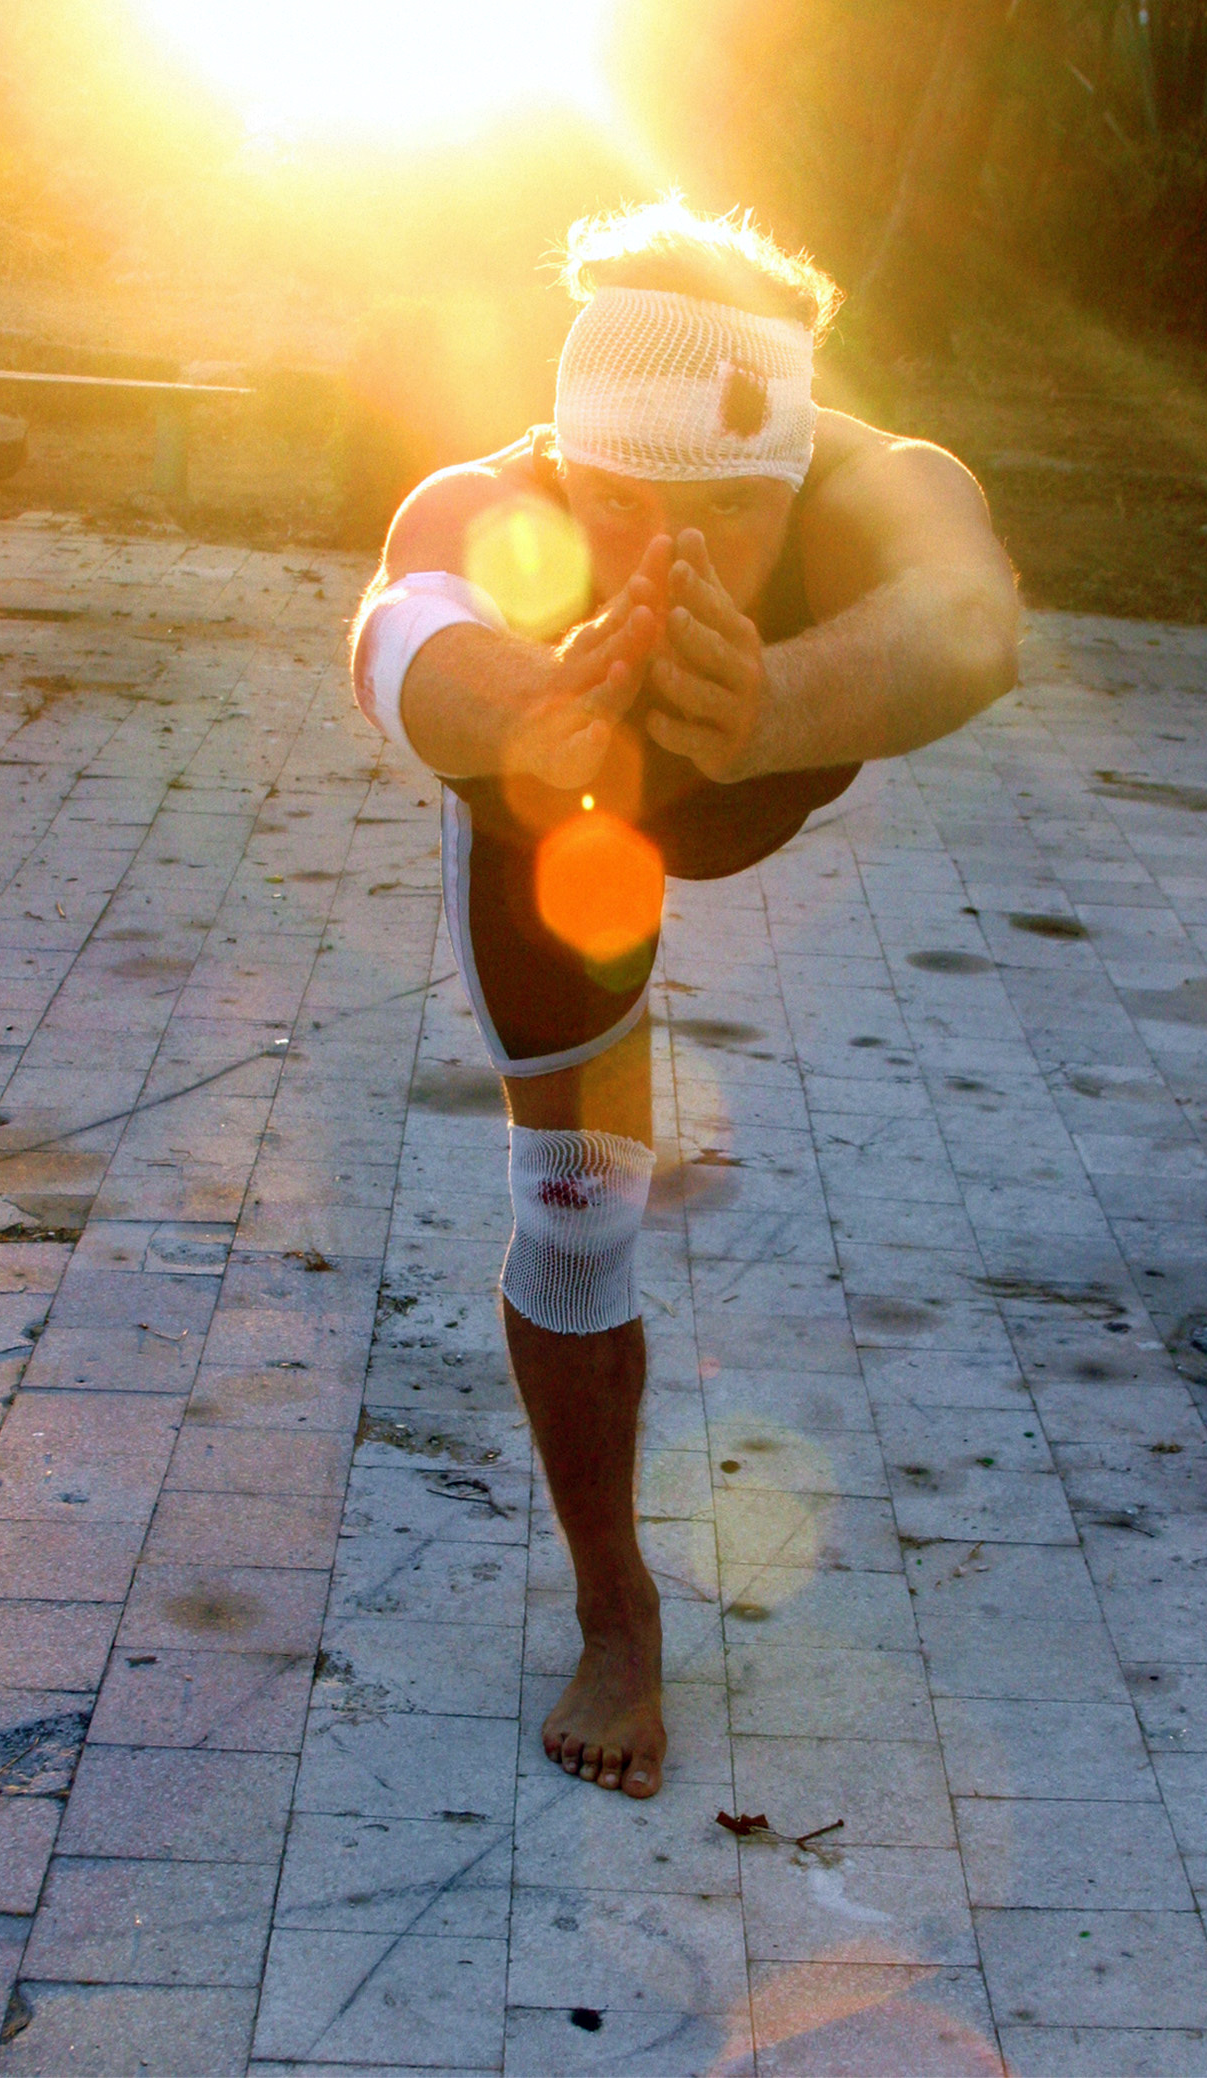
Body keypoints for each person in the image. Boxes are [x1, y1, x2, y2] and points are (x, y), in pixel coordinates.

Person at [351, 198, 1018, 1799]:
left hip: (766, 744)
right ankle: (617, 1612)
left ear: (791, 477)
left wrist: (773, 700)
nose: (673, 561)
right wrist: (525, 707)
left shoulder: (872, 485)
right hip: (560, 816)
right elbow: (396, 627)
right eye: (620, 504)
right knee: (577, 1214)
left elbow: (976, 619)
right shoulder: (495, 504)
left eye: (727, 512)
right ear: (567, 465)